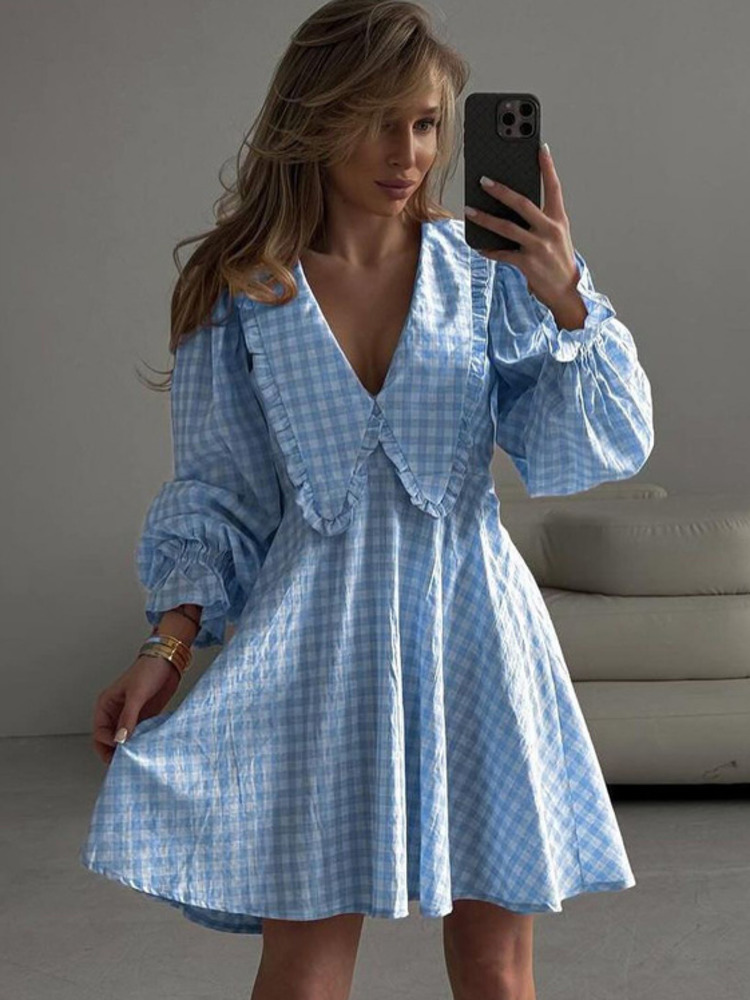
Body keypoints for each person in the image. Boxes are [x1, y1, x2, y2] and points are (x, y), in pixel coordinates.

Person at [79, 1, 654, 997]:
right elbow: (217, 495)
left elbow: (591, 441)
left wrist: (566, 297)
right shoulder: (242, 290)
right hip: (315, 650)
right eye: (378, 120)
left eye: (426, 123)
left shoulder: (487, 275)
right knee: (303, 975)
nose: (408, 152)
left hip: (477, 638)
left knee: (497, 972)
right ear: (316, 117)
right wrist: (164, 649)